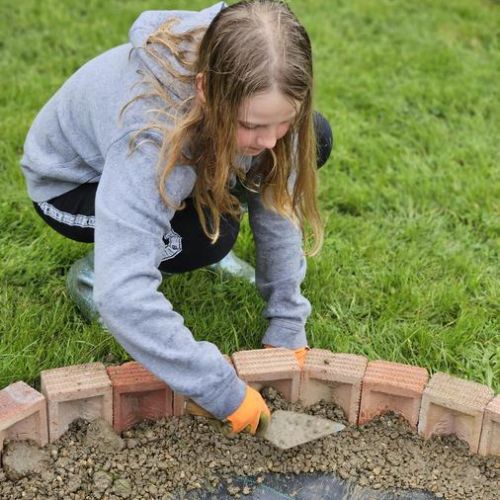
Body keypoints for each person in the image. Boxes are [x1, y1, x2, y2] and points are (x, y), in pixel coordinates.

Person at [20, 0, 333, 435]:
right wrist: (221, 390)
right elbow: (123, 297)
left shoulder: (260, 96)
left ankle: (180, 218)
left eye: (281, 121)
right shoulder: (149, 133)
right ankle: (96, 270)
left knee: (313, 137)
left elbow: (277, 198)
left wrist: (287, 321)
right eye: (251, 125)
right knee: (210, 238)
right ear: (206, 89)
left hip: (174, 154)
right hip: (75, 187)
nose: (268, 139)